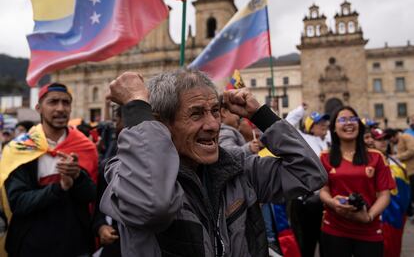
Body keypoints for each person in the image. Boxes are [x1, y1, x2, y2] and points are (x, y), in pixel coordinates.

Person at [100, 70, 327, 256]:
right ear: (161, 124)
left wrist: (260, 114)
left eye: (215, 111)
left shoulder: (237, 169)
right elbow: (153, 206)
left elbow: (308, 174)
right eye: (196, 114)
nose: (213, 125)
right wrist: (138, 110)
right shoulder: (127, 175)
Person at [0, 83, 98, 257]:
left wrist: (77, 176)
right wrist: (60, 187)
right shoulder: (20, 148)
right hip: (31, 245)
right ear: (38, 108)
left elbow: (92, 196)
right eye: (53, 102)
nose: (60, 108)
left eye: (66, 103)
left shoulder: (85, 147)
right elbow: (18, 202)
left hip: (75, 245)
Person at [319, 106, 395, 257]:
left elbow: (384, 194)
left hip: (369, 230)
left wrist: (369, 216)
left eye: (353, 119)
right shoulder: (324, 157)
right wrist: (332, 202)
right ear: (334, 128)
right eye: (342, 119)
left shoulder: (376, 157)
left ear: (359, 126)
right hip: (334, 229)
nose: (348, 123)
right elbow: (323, 190)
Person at [285, 104, 330, 257]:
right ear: (311, 127)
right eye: (319, 123)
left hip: (326, 201)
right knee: (306, 244)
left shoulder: (328, 140)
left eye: (325, 122)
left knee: (326, 243)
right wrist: (300, 110)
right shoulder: (302, 139)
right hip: (306, 202)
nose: (324, 124)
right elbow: (286, 126)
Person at [371, 128, 410, 257]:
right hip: (383, 216)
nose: (383, 142)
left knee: (395, 249)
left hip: (398, 215)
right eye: (379, 139)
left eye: (385, 139)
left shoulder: (394, 161)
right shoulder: (369, 163)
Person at [93, 107, 123, 257]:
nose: (115, 126)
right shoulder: (108, 166)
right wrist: (101, 227)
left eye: (116, 121)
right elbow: (98, 208)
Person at [386, 128, 414, 216]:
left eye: (391, 139)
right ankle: (409, 212)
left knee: (412, 192)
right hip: (400, 172)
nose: (390, 141)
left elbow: (412, 150)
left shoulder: (406, 137)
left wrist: (397, 157)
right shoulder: (392, 142)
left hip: (411, 170)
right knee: (406, 193)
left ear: (394, 135)